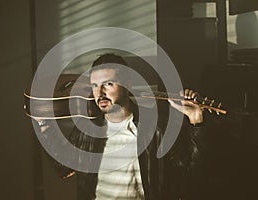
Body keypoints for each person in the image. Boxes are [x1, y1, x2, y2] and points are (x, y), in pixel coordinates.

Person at [38, 53, 208, 200]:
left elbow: (190, 173)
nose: (100, 93)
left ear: (127, 85)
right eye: (95, 86)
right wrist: (43, 124)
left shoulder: (156, 128)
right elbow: (64, 168)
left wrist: (195, 118)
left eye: (108, 84)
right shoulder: (87, 129)